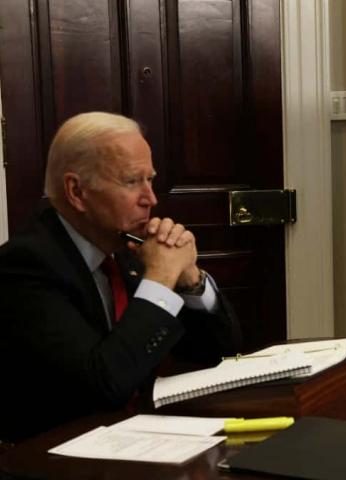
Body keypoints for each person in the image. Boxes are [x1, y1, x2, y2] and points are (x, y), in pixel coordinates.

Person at [0, 112, 242, 442]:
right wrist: (161, 277)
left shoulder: (128, 251)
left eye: (150, 180)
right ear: (77, 191)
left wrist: (189, 278)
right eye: (131, 182)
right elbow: (103, 386)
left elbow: (221, 353)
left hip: (139, 441)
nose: (150, 199)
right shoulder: (26, 265)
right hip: (59, 454)